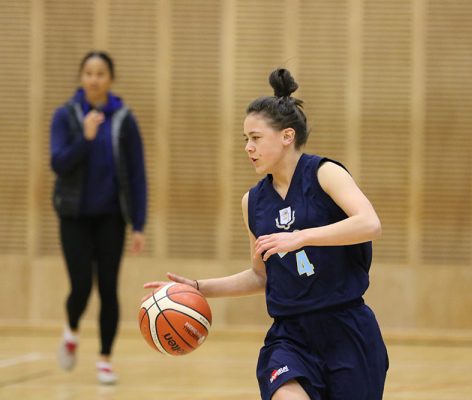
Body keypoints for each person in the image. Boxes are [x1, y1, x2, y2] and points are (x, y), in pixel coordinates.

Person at [144, 68, 388, 399]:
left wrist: (301, 236)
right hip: (291, 335)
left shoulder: (325, 174)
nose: (248, 147)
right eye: (245, 139)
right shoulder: (253, 202)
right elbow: (261, 277)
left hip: (346, 329)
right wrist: (199, 288)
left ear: (287, 136)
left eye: (256, 138)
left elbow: (369, 224)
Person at [51, 50, 147, 385]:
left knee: (108, 287)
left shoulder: (123, 118)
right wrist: (85, 139)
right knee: (80, 286)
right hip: (74, 216)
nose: (94, 79)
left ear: (110, 79)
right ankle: (72, 328)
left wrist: (138, 223)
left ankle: (105, 359)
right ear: (81, 77)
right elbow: (59, 163)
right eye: (88, 72)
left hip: (111, 217)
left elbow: (137, 173)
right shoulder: (66, 116)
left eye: (101, 73)